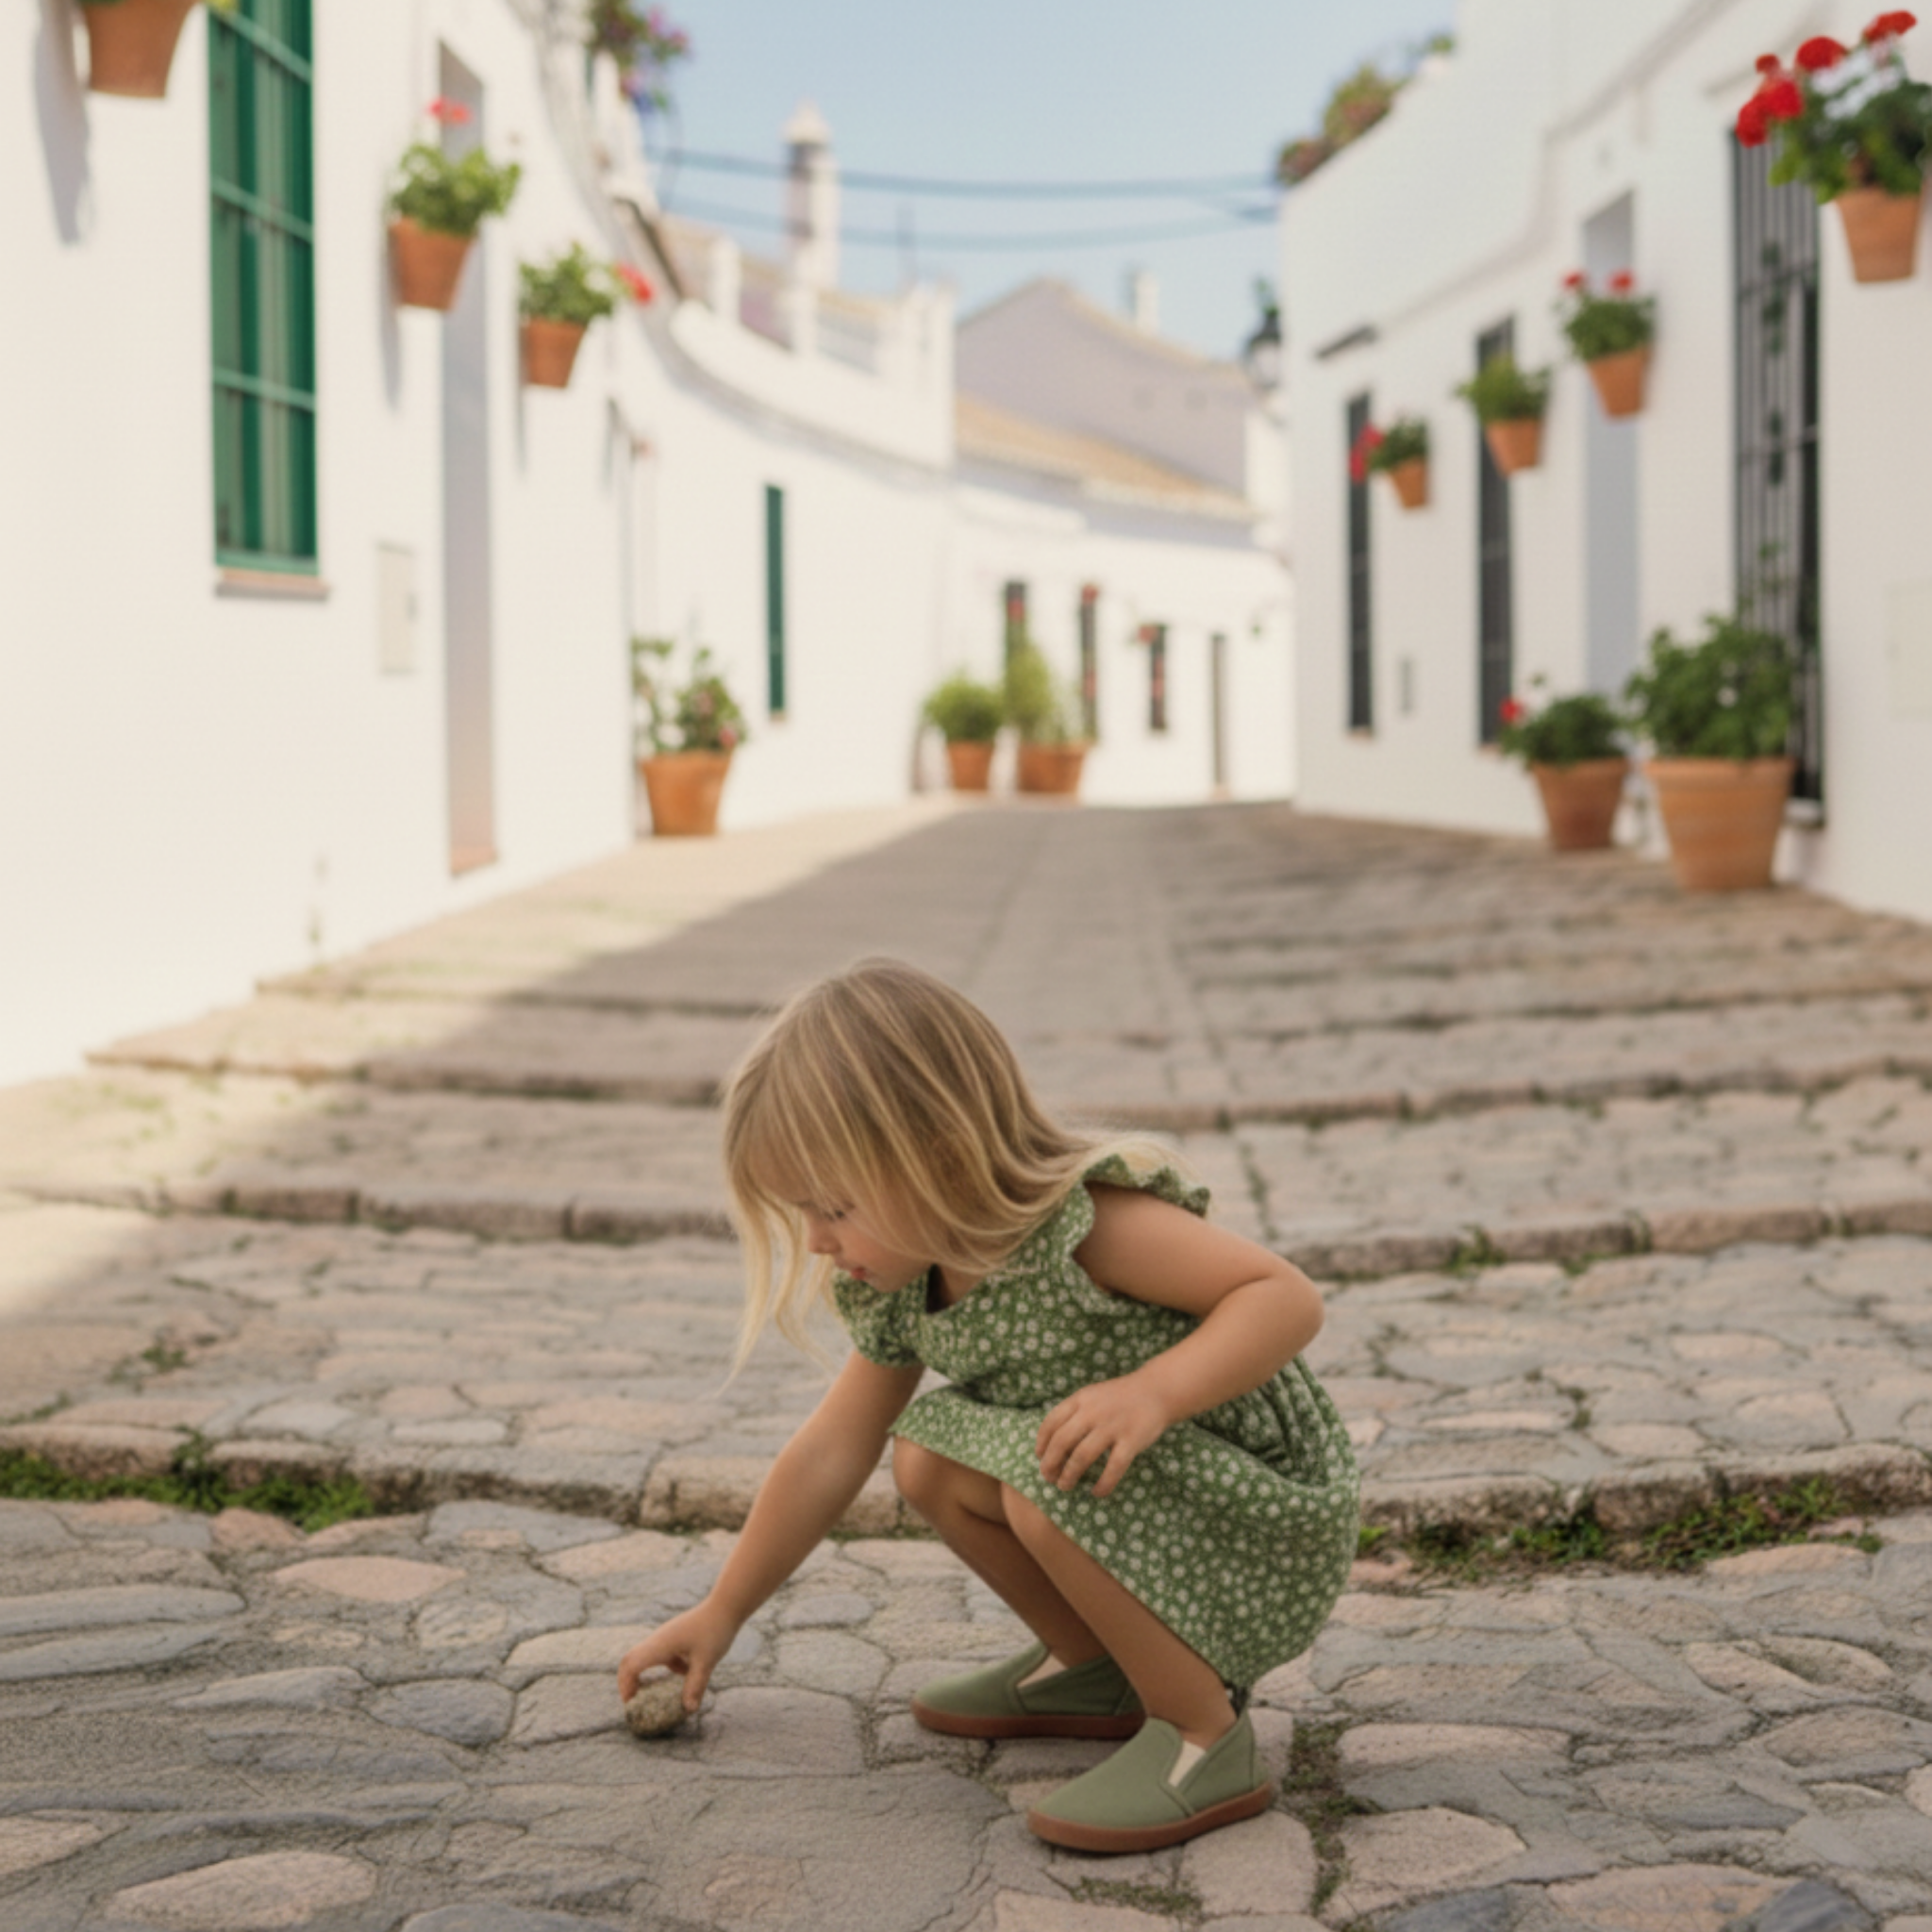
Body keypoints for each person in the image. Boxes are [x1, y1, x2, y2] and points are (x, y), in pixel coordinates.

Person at [617, 958, 1358, 1853]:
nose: (815, 1240)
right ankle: (1101, 1672)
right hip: (1139, 1500)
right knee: (928, 1457)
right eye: (800, 1213)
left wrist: (1151, 1394)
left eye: (834, 1207)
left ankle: (1203, 1734)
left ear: (934, 1153)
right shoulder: (908, 1280)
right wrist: (723, 1609)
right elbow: (830, 1450)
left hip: (1256, 1511)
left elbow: (1284, 1298)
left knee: (1040, 1475)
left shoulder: (1086, 1222)